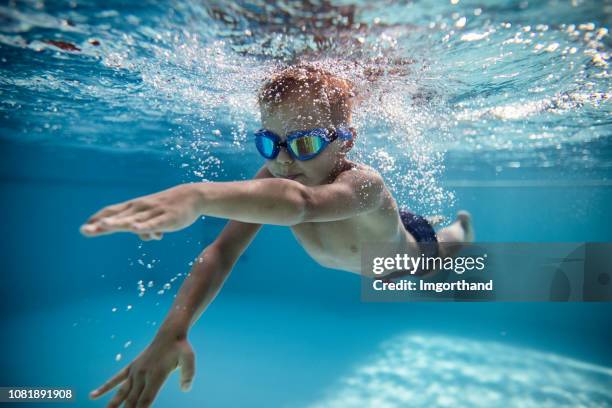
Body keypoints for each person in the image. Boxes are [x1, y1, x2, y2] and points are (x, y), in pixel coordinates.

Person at [80, 63, 473, 408]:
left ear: (346, 141)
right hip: (366, 246)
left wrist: (197, 196)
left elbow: (302, 204)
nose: (283, 159)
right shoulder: (277, 175)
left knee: (441, 252)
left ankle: (460, 226)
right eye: (270, 143)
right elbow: (220, 252)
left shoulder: (364, 184)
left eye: (305, 143)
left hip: (404, 258)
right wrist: (173, 332)